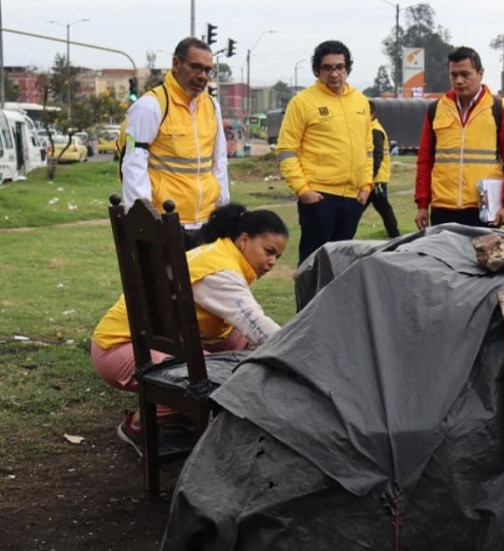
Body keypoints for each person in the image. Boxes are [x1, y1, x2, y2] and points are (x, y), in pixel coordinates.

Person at [91, 203, 288, 454]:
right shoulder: (221, 272)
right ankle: (139, 426)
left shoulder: (218, 252)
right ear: (243, 240)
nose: (271, 263)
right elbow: (259, 325)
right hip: (117, 349)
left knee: (236, 342)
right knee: (212, 380)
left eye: (277, 257)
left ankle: (182, 416)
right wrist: (299, 351)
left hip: (146, 339)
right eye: (268, 251)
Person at [120, 37, 229, 250]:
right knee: (164, 284)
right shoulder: (151, 106)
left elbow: (219, 161)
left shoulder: (211, 106)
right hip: (166, 222)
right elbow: (134, 164)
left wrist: (223, 212)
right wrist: (144, 221)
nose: (203, 76)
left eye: (208, 70)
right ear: (176, 64)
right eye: (196, 67)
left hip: (206, 222)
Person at [277, 40, 373, 265]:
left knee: (341, 265)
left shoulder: (360, 101)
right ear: (317, 71)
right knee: (313, 265)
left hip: (353, 198)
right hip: (319, 196)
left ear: (347, 68)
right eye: (327, 68)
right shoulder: (302, 102)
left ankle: (336, 302)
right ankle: (309, 303)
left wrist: (367, 185)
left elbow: (368, 148)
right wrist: (303, 190)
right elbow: (286, 150)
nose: (334, 73)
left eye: (339, 67)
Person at [415, 46, 504, 229]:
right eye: (453, 75)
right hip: (442, 208)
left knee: (479, 258)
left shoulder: (501, 109)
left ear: (480, 74)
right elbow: (425, 161)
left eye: (465, 74)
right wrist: (421, 205)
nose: (459, 80)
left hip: (483, 209)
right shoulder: (436, 110)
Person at [365, 100, 400, 238]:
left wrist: (370, 176)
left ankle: (395, 235)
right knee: (383, 208)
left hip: (376, 178)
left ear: (372, 114)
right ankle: (395, 235)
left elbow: (377, 156)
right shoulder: (371, 129)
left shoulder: (375, 131)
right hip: (375, 178)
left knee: (382, 208)